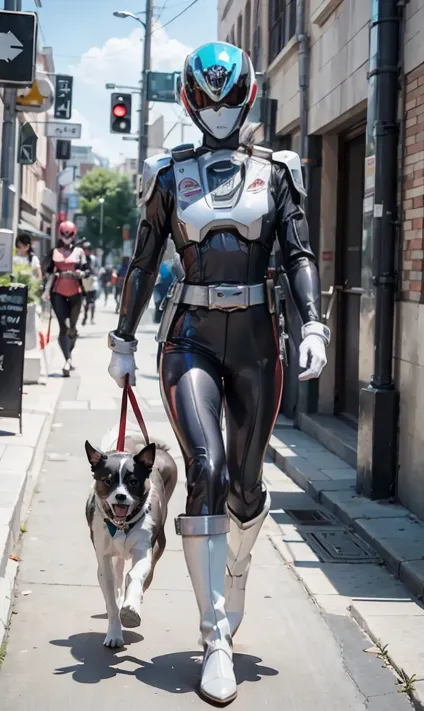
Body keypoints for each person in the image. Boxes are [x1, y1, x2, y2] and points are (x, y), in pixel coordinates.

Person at [107, 42, 330, 704]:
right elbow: (143, 263)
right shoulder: (169, 175)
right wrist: (121, 335)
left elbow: (298, 252)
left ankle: (236, 566)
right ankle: (215, 638)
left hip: (260, 341)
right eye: (208, 98)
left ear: (249, 96)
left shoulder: (279, 171)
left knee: (246, 482)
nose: (220, 109)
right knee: (204, 468)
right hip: (189, 339)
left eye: (230, 96)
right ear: (189, 99)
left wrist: (313, 319)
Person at [43, 221, 89, 377]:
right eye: (65, 234)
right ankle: (67, 360)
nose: (67, 237)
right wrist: (48, 282)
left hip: (76, 291)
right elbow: (48, 270)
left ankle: (69, 353)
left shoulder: (79, 252)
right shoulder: (54, 251)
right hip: (58, 292)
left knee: (72, 328)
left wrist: (80, 273)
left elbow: (87, 270)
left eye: (69, 234)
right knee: (63, 326)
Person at [81, 242, 100, 326]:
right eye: (84, 249)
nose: (86, 251)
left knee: (92, 301)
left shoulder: (94, 259)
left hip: (92, 280)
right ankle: (85, 316)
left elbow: (96, 268)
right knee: (86, 301)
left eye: (87, 249)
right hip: (84, 281)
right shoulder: (81, 259)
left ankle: (92, 318)